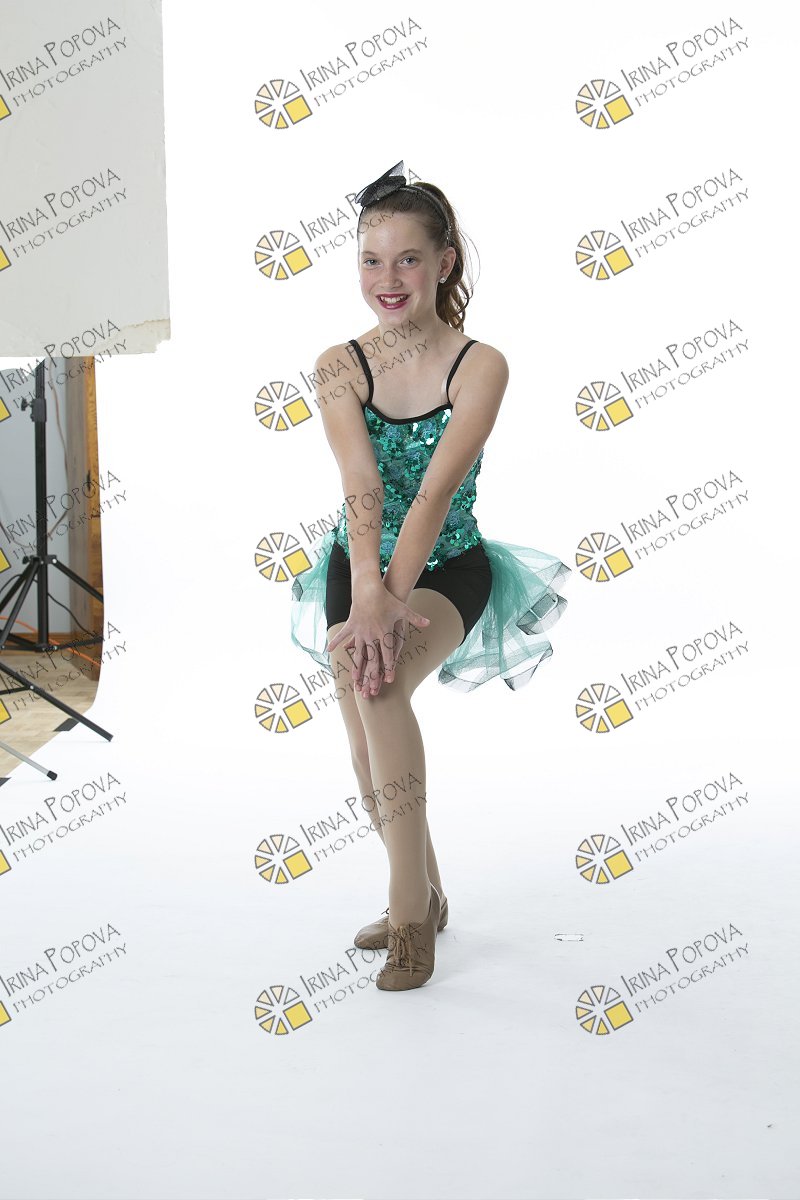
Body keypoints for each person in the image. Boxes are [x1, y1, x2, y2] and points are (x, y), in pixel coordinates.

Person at [290, 160, 571, 992]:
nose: (388, 278)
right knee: (360, 740)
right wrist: (366, 592)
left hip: (449, 565)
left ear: (444, 262)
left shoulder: (481, 365)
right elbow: (361, 483)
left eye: (408, 259)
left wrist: (391, 600)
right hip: (357, 563)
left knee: (378, 693)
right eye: (371, 260)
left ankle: (410, 914)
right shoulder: (340, 362)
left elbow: (435, 492)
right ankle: (430, 893)